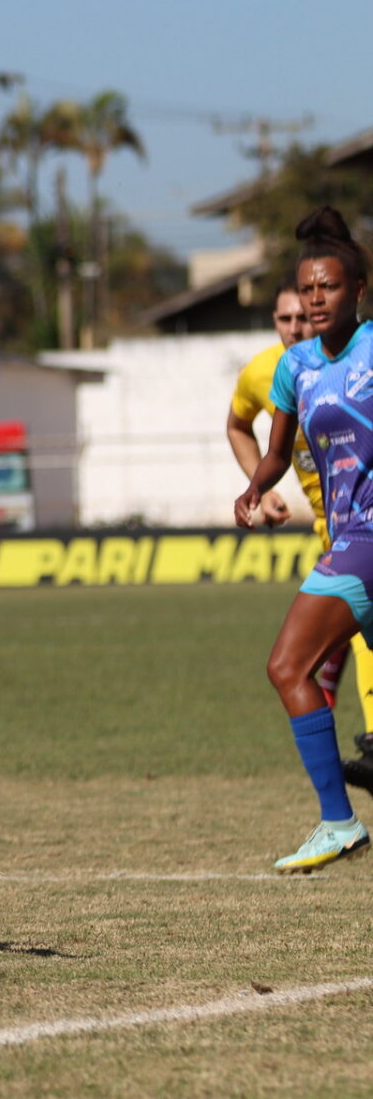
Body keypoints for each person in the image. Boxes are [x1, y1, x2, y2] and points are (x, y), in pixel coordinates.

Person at [236, 206, 373, 873]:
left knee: (289, 666)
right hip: (347, 535)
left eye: (331, 287)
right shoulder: (296, 367)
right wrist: (255, 486)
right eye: (308, 289)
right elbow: (278, 451)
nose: (317, 299)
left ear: (359, 290)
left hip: (368, 541)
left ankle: (338, 821)